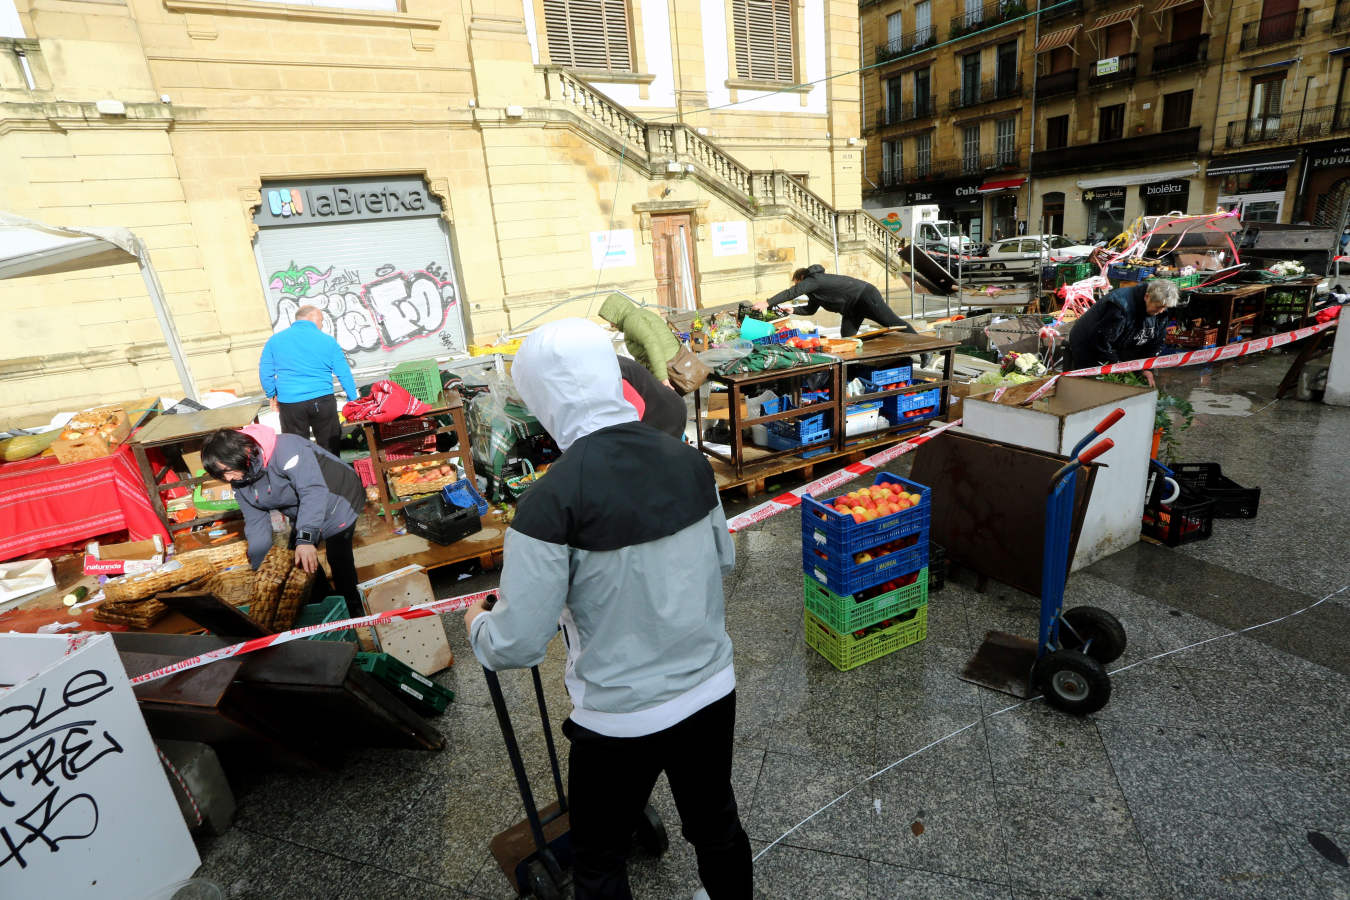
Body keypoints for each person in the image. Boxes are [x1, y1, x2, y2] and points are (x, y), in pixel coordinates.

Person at [464, 318, 751, 900]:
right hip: (710, 686)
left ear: (544, 400)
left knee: (599, 858)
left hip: (621, 717)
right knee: (716, 824)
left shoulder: (550, 501)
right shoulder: (689, 461)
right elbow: (723, 559)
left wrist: (477, 625)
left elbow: (517, 643)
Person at [202, 424, 367, 616]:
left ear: (243, 453)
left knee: (337, 554)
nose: (228, 479)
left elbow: (312, 492)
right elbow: (255, 522)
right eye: (222, 475)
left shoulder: (286, 449)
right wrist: (260, 567)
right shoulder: (239, 480)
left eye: (228, 471)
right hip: (303, 507)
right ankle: (326, 604)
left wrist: (305, 539)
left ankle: (354, 608)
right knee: (298, 560)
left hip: (337, 497)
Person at [259, 305, 359, 456]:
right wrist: (353, 398)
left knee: (297, 449)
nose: (322, 325)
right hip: (323, 400)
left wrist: (272, 394)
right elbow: (344, 373)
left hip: (291, 403)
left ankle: (306, 478)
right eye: (321, 321)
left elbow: (265, 371)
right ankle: (332, 477)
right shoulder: (328, 341)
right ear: (314, 318)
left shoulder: (275, 341)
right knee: (330, 447)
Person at [1067, 278, 1181, 385]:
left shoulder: (1160, 312)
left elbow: (1156, 343)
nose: (1161, 311)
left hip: (1122, 343)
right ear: (1147, 297)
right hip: (1088, 345)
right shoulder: (1119, 307)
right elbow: (1101, 342)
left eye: (1164, 308)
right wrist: (1119, 368)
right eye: (1158, 307)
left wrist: (1146, 368)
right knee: (1095, 386)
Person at [759, 264, 919, 339]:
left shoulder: (814, 279)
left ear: (801, 278)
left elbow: (791, 293)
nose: (798, 287)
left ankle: (923, 348)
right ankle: (853, 368)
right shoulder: (815, 291)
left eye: (797, 283)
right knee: (847, 337)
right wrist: (793, 310)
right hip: (852, 308)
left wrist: (768, 303)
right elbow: (811, 310)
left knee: (891, 322)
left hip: (865, 296)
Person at [599, 292, 682, 384]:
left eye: (611, 319)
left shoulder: (631, 321)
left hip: (667, 368)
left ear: (617, 313)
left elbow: (652, 344)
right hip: (675, 361)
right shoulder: (640, 313)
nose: (611, 324)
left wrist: (663, 378)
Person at [618, 355, 687, 440]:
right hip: (657, 408)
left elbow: (637, 407)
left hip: (665, 413)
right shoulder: (606, 363)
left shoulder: (609, 374)